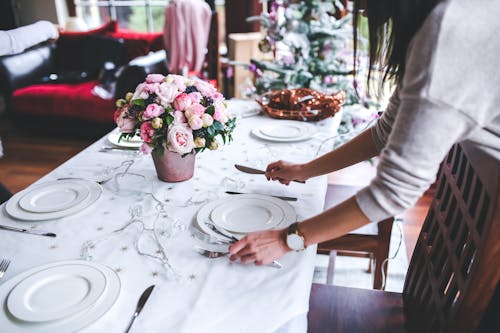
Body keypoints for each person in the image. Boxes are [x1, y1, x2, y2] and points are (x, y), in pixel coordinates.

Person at [228, 0, 500, 265]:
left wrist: (287, 240)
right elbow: (384, 133)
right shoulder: (447, 18)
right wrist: (304, 171)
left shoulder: (450, 32)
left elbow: (394, 191)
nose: (355, 6)